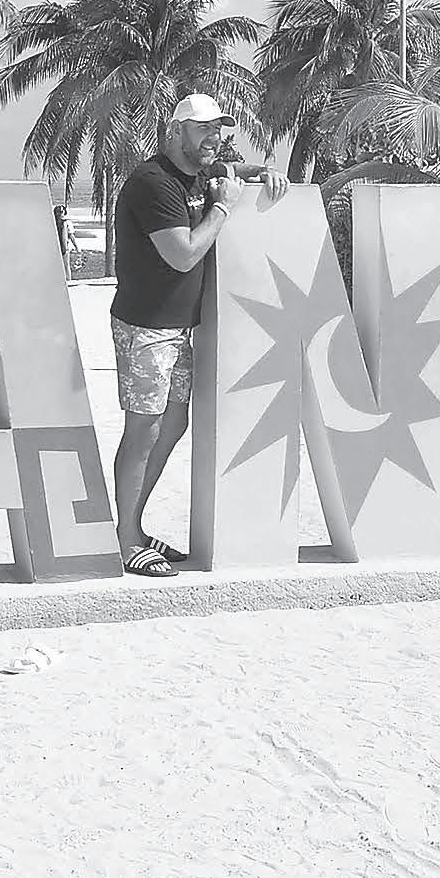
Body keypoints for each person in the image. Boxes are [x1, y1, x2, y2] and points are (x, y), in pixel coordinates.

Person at [109, 94, 289, 577]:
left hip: (178, 328)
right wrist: (223, 209)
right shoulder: (153, 183)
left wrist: (264, 171)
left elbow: (233, 169)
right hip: (146, 328)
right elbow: (183, 254)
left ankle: (130, 526)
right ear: (175, 132)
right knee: (144, 430)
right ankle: (126, 540)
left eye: (218, 129)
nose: (213, 137)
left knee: (172, 425)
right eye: (202, 129)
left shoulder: (199, 175)